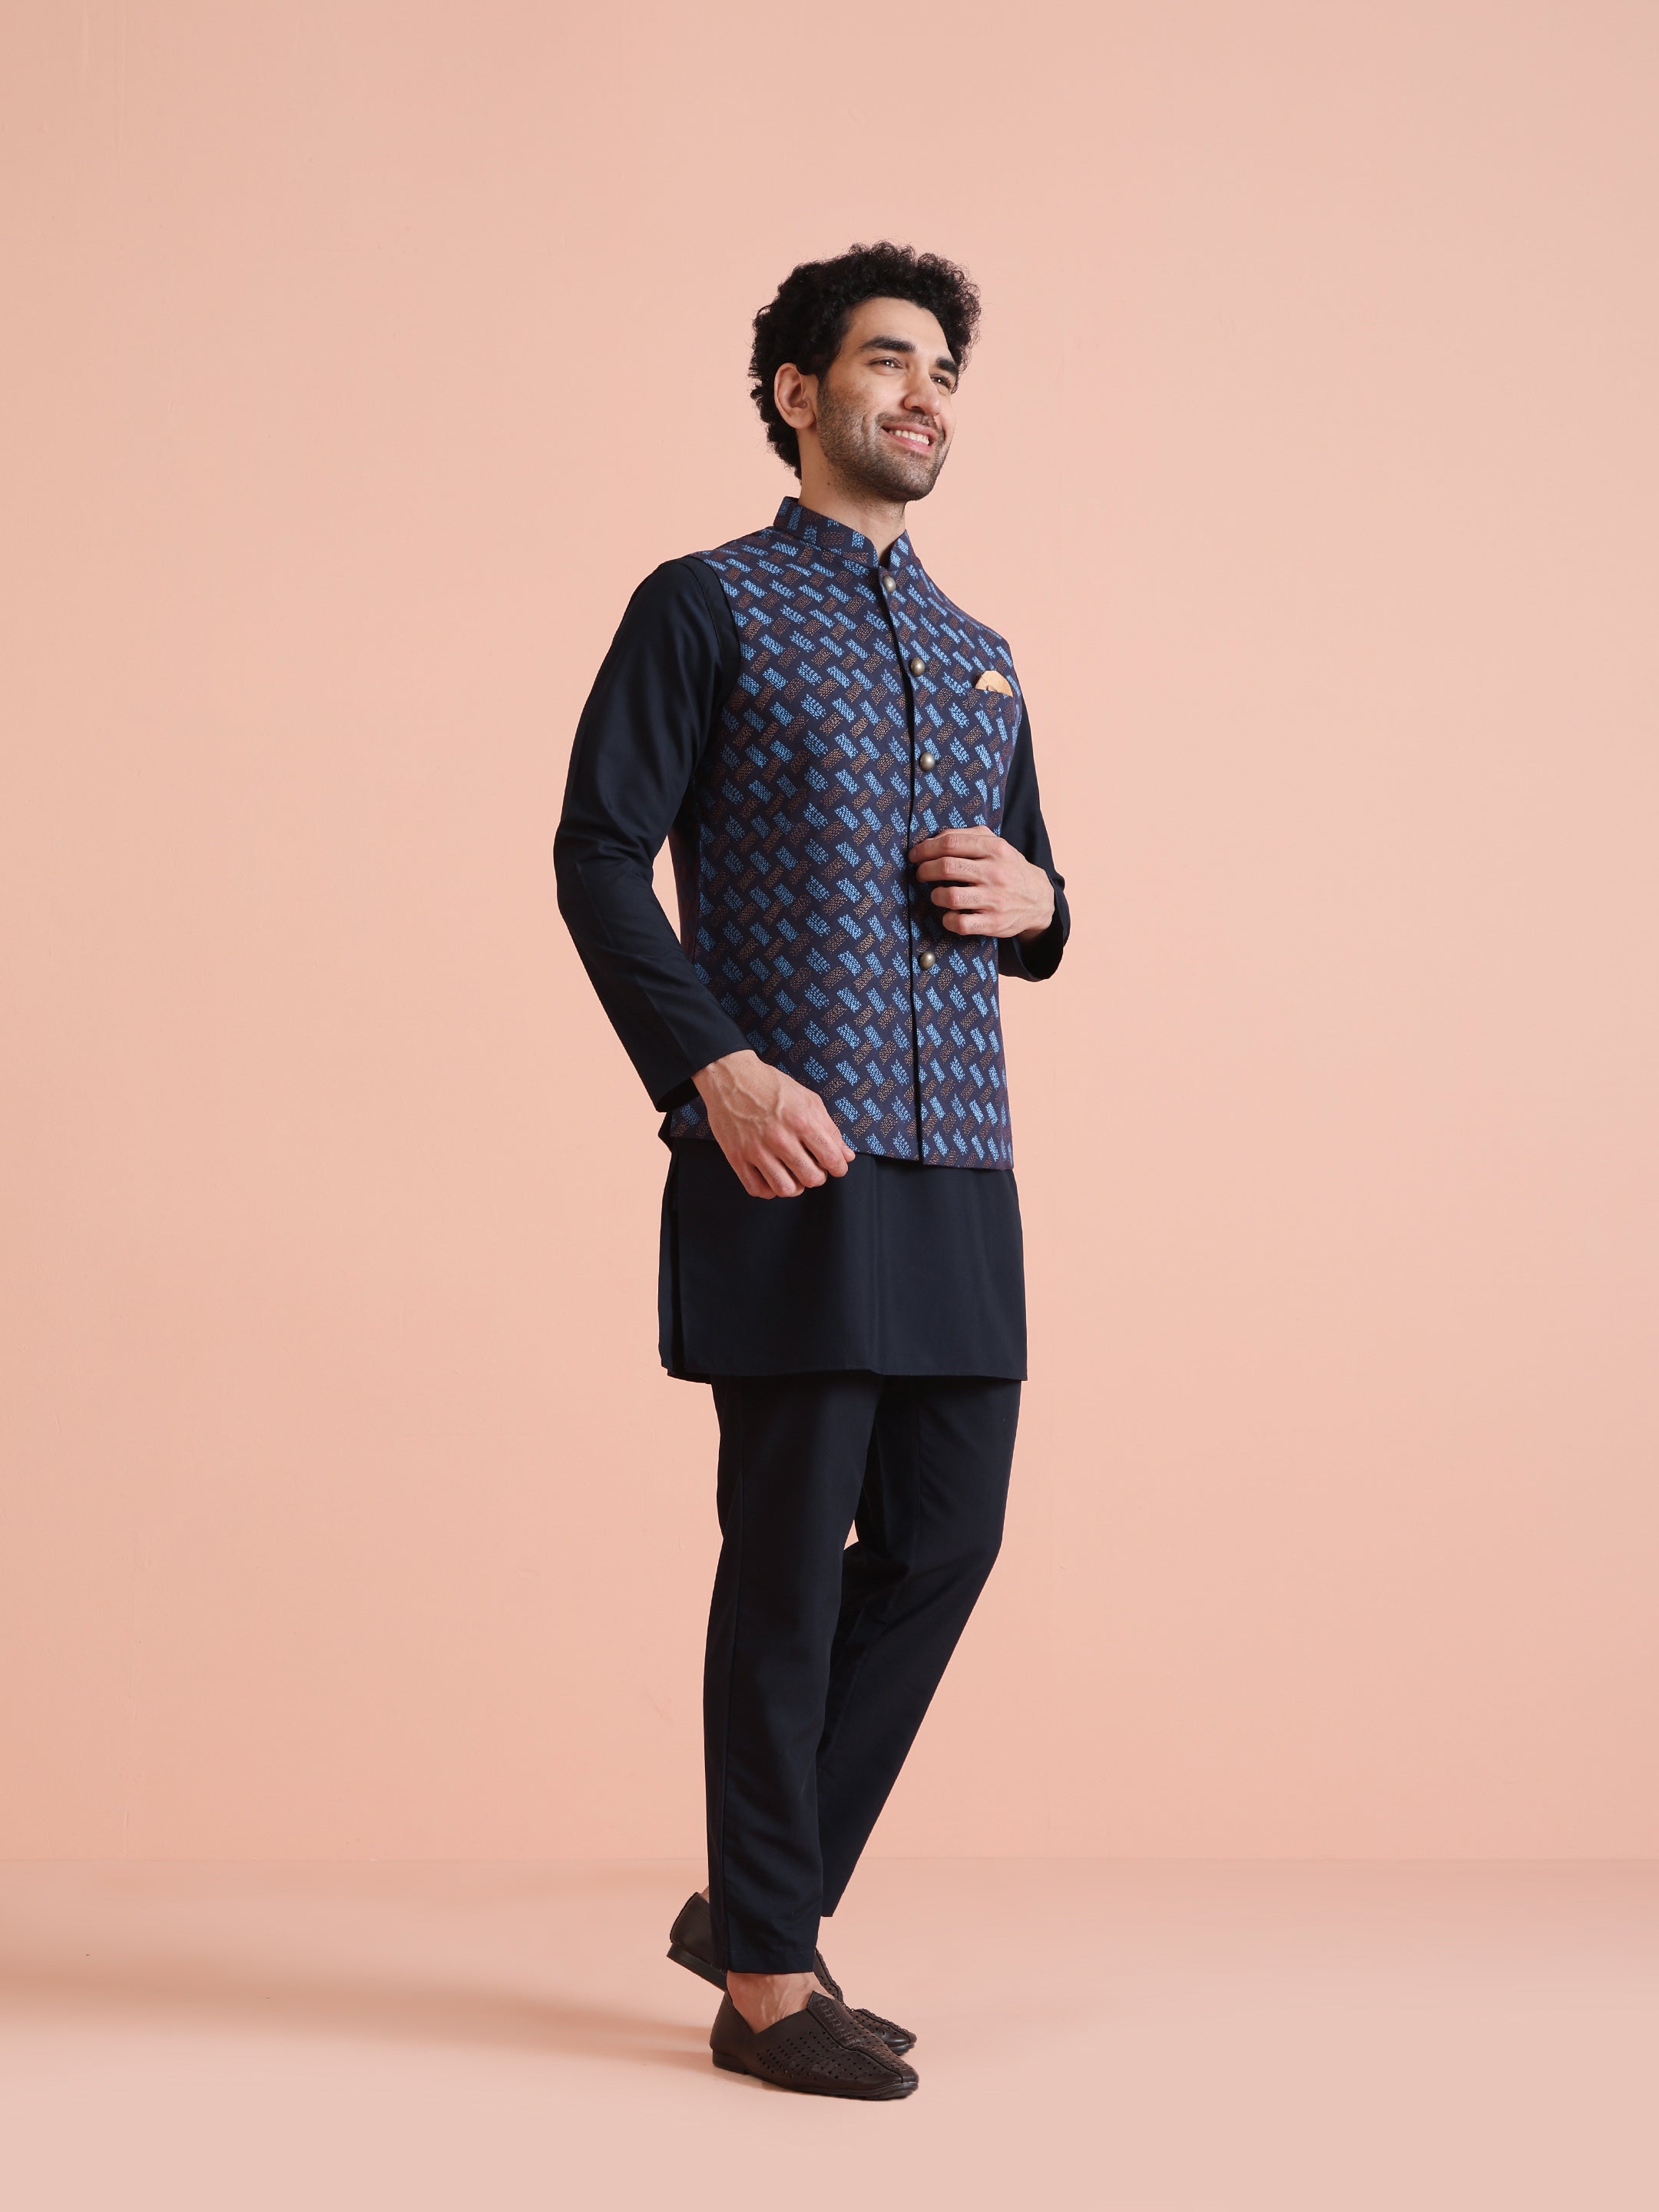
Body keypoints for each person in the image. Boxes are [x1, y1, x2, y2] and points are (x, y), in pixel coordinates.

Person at [555, 242, 1068, 2099]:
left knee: (946, 1539)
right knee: (786, 1562)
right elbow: (598, 853)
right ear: (797, 391)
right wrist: (715, 1069)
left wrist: (1046, 902)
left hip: (962, 1160)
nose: (925, 396)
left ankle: (753, 1908)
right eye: (886, 361)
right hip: (793, 1152)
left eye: (946, 372)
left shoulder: (982, 649)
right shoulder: (704, 606)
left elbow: (1033, 891)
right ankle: (770, 1977)